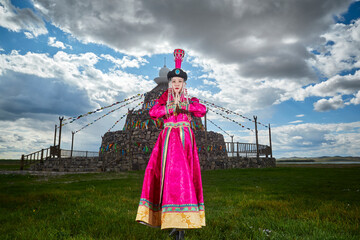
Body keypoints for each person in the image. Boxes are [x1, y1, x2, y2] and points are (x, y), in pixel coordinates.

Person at [135, 67, 206, 239]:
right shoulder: (163, 99)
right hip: (167, 141)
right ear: (169, 83)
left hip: (185, 142)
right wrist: (169, 108)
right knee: (167, 178)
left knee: (185, 178)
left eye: (179, 81)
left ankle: (182, 225)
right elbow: (153, 113)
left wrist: (185, 106)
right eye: (173, 81)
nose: (176, 84)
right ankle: (169, 220)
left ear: (184, 83)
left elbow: (202, 110)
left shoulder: (190, 100)